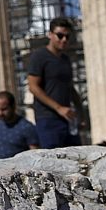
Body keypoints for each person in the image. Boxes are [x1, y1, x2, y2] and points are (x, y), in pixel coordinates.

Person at [27, 17, 81, 148]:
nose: (64, 40)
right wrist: (58, 108)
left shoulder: (65, 60)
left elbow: (69, 87)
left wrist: (80, 112)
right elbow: (33, 87)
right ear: (50, 34)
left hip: (68, 118)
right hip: (48, 118)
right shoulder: (39, 56)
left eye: (67, 36)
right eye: (60, 35)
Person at [0, 91, 39, 159]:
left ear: (13, 106)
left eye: (4, 109)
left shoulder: (26, 127)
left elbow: (35, 153)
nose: (0, 113)